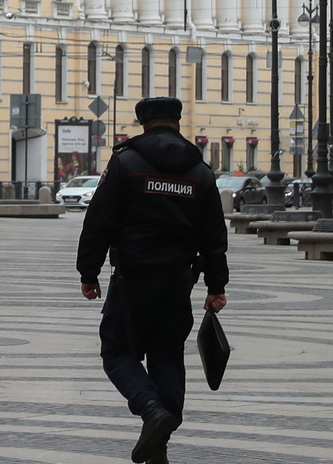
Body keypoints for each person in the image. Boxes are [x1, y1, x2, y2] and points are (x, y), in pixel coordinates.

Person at [77, 97, 229, 464]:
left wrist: (88, 272)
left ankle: (150, 410)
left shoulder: (126, 162)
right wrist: (216, 286)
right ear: (177, 122)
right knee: (167, 355)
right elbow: (214, 235)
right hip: (178, 281)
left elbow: (99, 220)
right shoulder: (200, 171)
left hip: (132, 279)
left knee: (116, 351)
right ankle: (161, 440)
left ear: (143, 123)